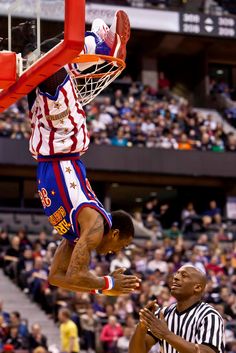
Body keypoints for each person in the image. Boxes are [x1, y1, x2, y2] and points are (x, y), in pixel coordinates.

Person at [25, 10, 140, 295]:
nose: (114, 252)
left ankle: (94, 43)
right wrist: (108, 284)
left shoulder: (77, 234)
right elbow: (71, 275)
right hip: (62, 144)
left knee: (38, 64)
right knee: (43, 64)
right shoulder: (96, 225)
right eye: (120, 245)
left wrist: (105, 286)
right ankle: (100, 45)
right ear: (113, 233)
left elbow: (57, 277)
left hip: (52, 146)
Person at [129, 265, 225, 353]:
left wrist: (166, 334)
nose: (175, 277)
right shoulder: (164, 313)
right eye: (176, 274)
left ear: (197, 287)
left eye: (184, 275)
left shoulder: (209, 316)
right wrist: (142, 325)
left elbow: (206, 352)